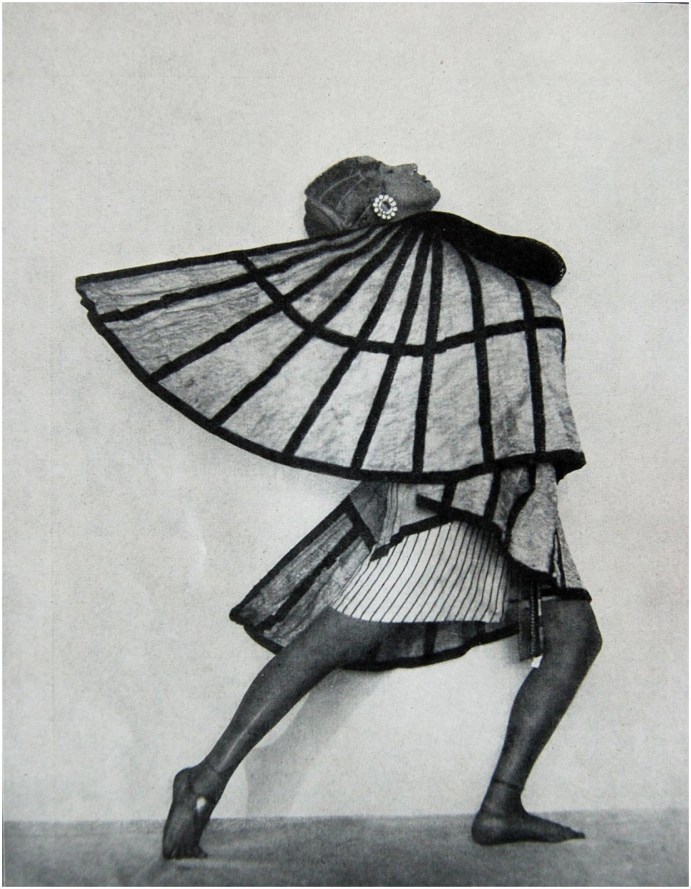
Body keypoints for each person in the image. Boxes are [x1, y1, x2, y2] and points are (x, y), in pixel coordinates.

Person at [76, 156, 602, 860]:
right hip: (454, 484)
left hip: (500, 480)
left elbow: (524, 293)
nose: (410, 166)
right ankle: (203, 777)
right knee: (334, 637)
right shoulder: (420, 250)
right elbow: (519, 292)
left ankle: (501, 804)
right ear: (377, 203)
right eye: (388, 170)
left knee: (573, 636)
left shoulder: (434, 254)